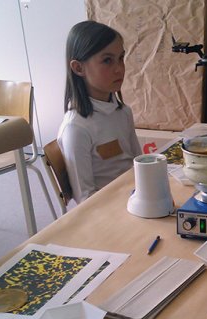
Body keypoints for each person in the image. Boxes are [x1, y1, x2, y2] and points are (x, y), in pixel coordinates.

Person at [58, 20, 142, 204]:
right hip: (108, 212)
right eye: (107, 60)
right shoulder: (76, 127)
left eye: (121, 58)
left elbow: (139, 164)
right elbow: (85, 198)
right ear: (79, 68)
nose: (119, 68)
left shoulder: (123, 112)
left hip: (137, 198)